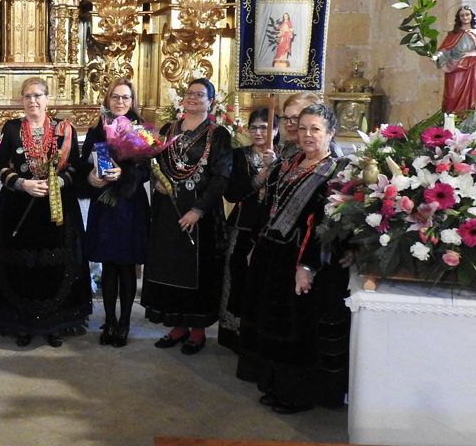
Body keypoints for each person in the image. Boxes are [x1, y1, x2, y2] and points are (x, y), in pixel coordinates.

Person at [237, 103, 350, 415]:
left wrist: (307, 266)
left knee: (298, 329)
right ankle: (275, 384)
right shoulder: (289, 162)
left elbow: (325, 227)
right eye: (302, 128)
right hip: (271, 255)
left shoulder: (337, 172)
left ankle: (297, 393)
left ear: (330, 133)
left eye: (315, 129)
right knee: (271, 322)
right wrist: (254, 243)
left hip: (303, 260)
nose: (307, 135)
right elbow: (266, 207)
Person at [0, 77, 91, 348]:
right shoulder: (11, 129)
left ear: (47, 99)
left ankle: (55, 323)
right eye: (27, 96)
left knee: (56, 267)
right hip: (19, 208)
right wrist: (22, 183)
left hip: (56, 209)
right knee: (22, 268)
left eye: (38, 95)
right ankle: (22, 323)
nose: (33, 101)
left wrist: (58, 182)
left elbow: (74, 166)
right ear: (21, 101)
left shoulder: (63, 129)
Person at [145, 77, 232, 355]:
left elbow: (221, 177)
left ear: (211, 102)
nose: (193, 98)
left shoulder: (218, 134)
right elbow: (153, 162)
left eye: (200, 95)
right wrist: (155, 179)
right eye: (189, 93)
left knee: (196, 270)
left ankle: (197, 330)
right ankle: (176, 325)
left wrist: (198, 210)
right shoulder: (168, 129)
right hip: (167, 210)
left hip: (199, 213)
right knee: (169, 265)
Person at [78, 78, 149, 348]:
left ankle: (125, 323)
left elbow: (146, 169)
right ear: (107, 99)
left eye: (126, 98)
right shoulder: (97, 129)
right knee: (109, 263)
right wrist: (91, 178)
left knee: (126, 264)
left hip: (129, 205)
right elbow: (86, 160)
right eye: (115, 97)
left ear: (132, 102)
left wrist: (125, 173)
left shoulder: (139, 129)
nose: (120, 102)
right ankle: (108, 320)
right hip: (105, 205)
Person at [217, 107, 277, 351]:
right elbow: (231, 193)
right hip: (242, 225)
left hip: (271, 230)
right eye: (254, 127)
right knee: (236, 275)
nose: (258, 132)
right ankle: (233, 331)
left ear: (275, 130)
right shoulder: (238, 155)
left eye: (264, 127)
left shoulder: (284, 156)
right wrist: (259, 178)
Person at [433, 5, 476, 114]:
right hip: (455, 68)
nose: (465, 17)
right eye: (462, 15)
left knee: (472, 96)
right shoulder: (453, 35)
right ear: (458, 18)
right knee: (452, 96)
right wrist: (437, 56)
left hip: (472, 69)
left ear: (472, 16)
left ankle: (468, 124)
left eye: (467, 14)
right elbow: (444, 50)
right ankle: (450, 121)